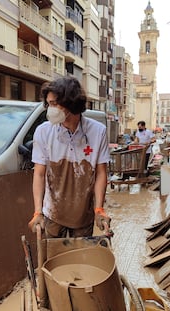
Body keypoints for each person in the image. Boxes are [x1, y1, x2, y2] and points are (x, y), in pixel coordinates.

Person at [28, 76, 111, 238]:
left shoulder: (97, 132)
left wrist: (99, 209)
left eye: (54, 104)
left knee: (79, 261)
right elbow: (39, 173)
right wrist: (37, 211)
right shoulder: (44, 132)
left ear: (70, 103)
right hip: (52, 214)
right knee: (52, 260)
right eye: (49, 104)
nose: (50, 109)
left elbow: (101, 173)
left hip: (83, 216)